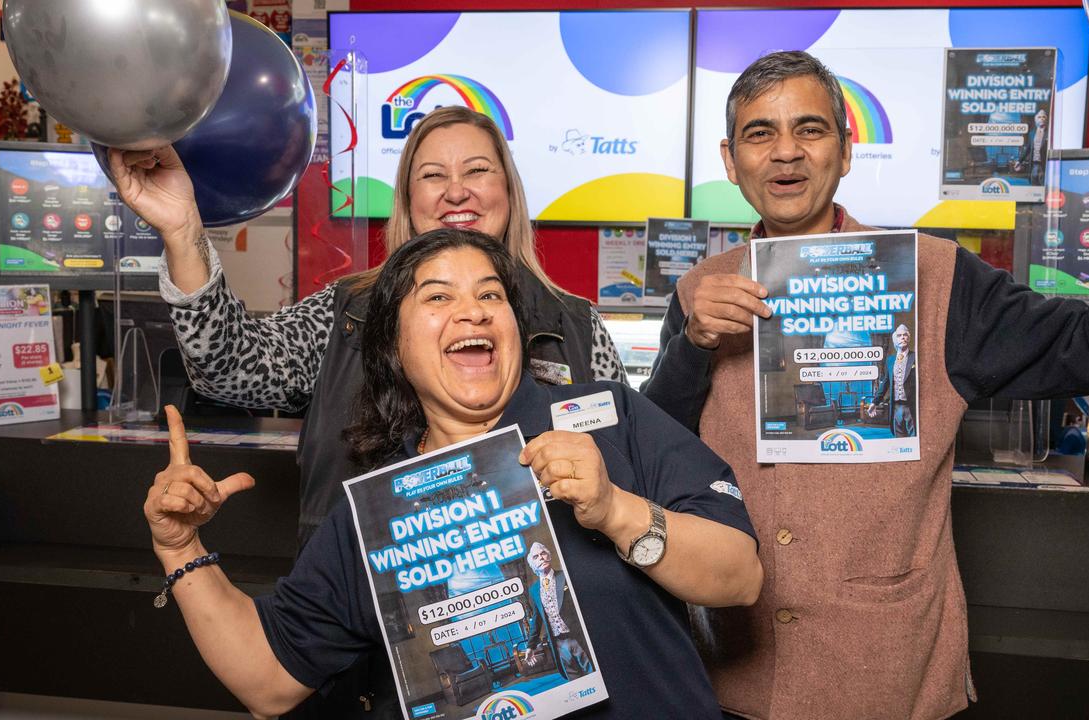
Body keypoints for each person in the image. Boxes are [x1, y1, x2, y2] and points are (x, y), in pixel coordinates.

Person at [641, 51, 1089, 720]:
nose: (786, 154)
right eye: (759, 133)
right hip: (730, 678)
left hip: (888, 678)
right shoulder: (699, 290)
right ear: (730, 158)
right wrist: (694, 344)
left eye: (810, 129)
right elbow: (654, 455)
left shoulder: (937, 278)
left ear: (845, 148)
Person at [142, 228, 762, 719]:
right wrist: (179, 547)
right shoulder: (378, 510)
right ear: (393, 347)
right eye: (438, 296)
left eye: (491, 294)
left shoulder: (609, 416)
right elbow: (267, 681)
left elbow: (741, 577)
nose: (473, 311)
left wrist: (616, 511)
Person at [108, 106, 627, 550]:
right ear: (407, 199)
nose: (455, 192)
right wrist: (182, 232)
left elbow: (630, 466)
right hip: (361, 619)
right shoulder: (347, 311)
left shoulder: (576, 325)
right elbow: (228, 369)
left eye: (476, 170)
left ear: (508, 190)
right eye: (432, 175)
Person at [521, 541, 594, 679]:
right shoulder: (534, 590)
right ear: (532, 565)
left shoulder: (566, 576)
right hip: (558, 644)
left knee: (593, 673)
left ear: (549, 556)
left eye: (543, 553)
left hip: (578, 637)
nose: (541, 557)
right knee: (574, 680)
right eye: (536, 556)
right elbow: (536, 620)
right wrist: (530, 646)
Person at [866, 323, 916, 437]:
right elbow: (885, 383)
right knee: (899, 437)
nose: (902, 337)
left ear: (908, 337)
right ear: (895, 340)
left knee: (914, 438)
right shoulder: (890, 360)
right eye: (899, 335)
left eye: (905, 335)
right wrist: (874, 402)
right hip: (896, 407)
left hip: (911, 407)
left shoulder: (916, 357)